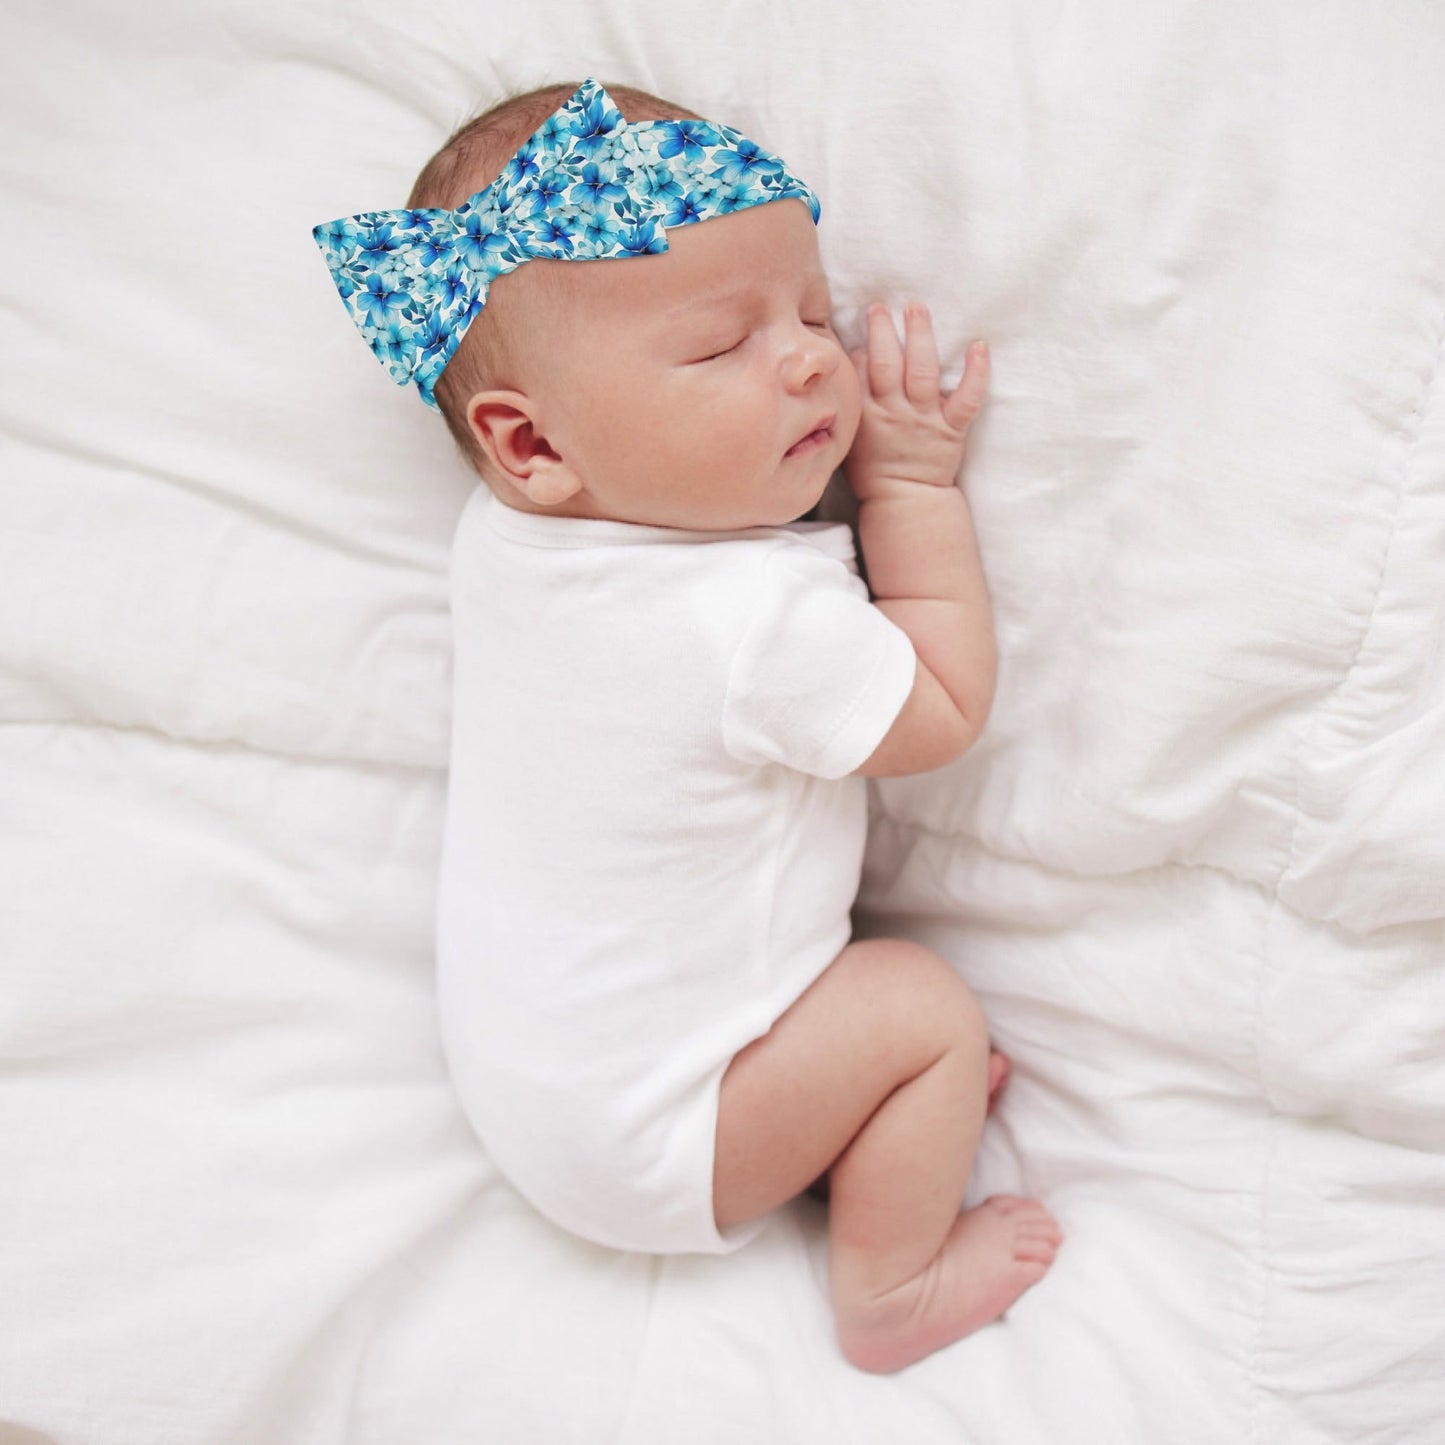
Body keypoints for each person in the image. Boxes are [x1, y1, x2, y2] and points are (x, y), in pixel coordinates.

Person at [313, 76, 1060, 1375]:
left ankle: (842, 1127)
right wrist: (907, 482)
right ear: (532, 440)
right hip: (664, 1133)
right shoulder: (746, 614)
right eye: (721, 345)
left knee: (867, 1022)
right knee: (922, 1008)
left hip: (543, 1091)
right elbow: (938, 708)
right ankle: (888, 1289)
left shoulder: (507, 542)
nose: (810, 357)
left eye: (812, 309)